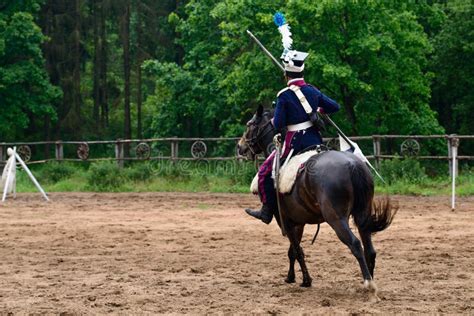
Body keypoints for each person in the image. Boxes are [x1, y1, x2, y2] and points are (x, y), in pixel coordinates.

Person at [245, 49, 340, 224]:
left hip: (294, 144)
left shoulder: (284, 95)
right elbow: (334, 106)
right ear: (302, 71)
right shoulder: (313, 91)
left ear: (286, 74)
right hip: (315, 141)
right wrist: (318, 109)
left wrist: (275, 119)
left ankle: (266, 211)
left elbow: (279, 124)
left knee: (265, 172)